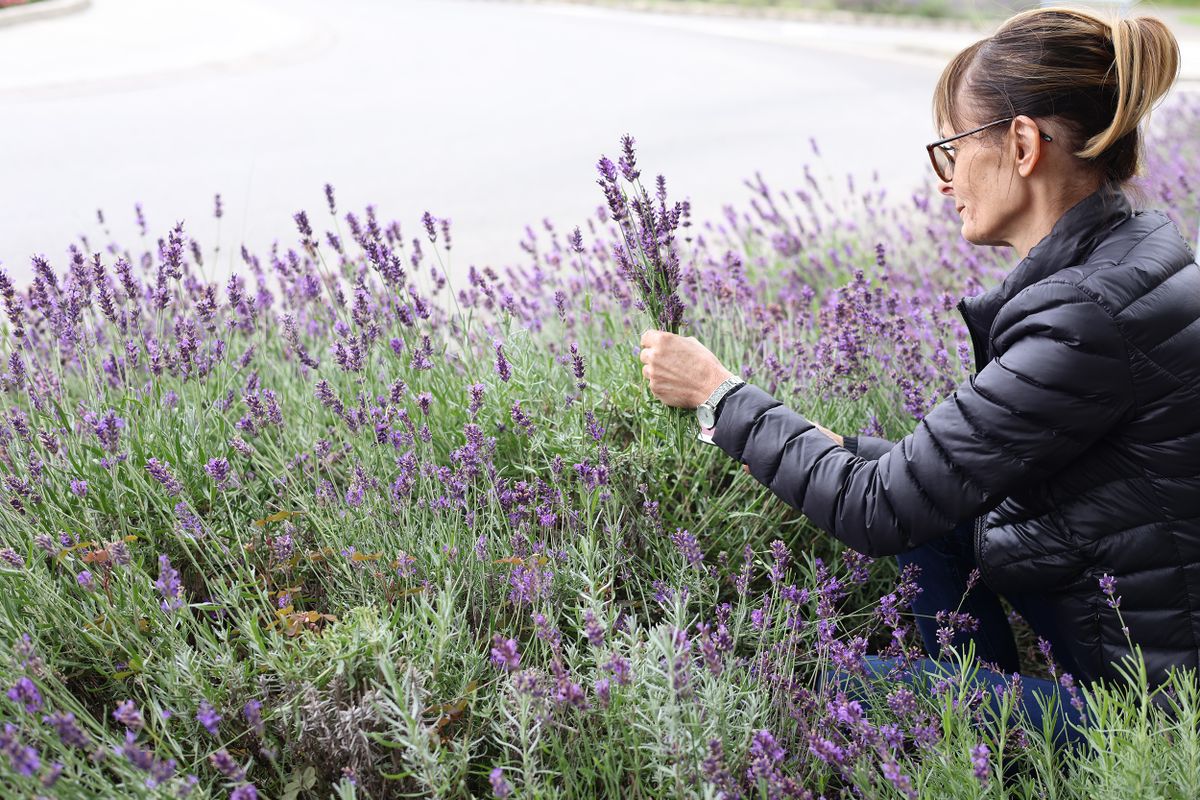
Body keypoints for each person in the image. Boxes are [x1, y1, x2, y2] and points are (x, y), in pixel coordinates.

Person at [637, 5, 1197, 746]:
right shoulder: (1135, 259)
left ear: (1023, 144)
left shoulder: (1084, 315)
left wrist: (717, 393)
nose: (943, 183)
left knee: (819, 689)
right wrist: (839, 445)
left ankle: (966, 737)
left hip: (1156, 721)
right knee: (925, 520)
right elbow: (920, 486)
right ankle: (973, 730)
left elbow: (874, 509)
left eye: (952, 150)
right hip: (1144, 650)